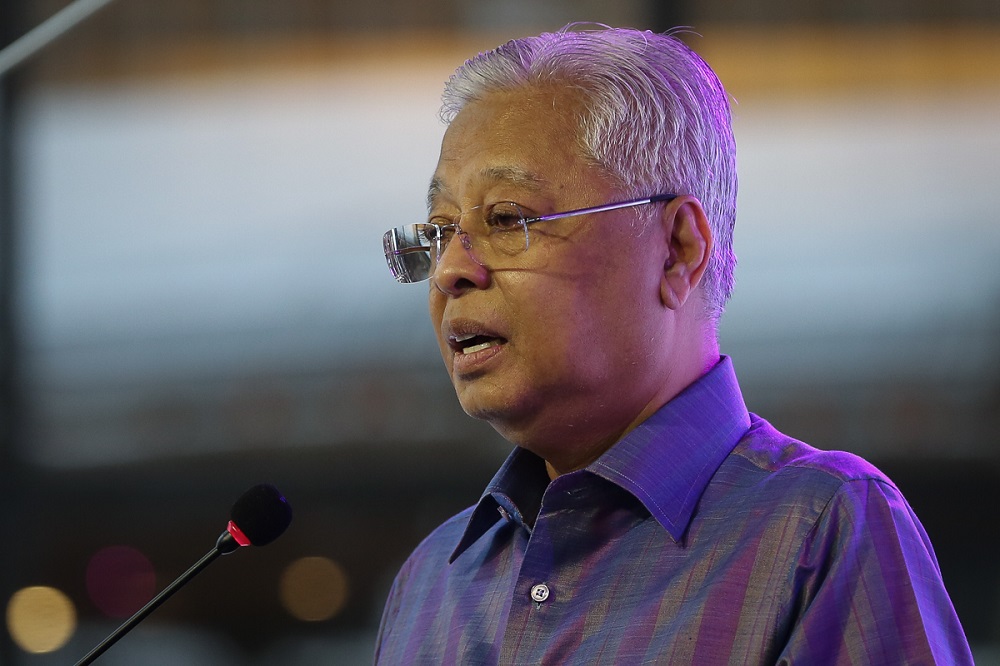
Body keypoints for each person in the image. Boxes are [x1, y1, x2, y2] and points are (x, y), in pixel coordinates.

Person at [374, 25, 973, 664]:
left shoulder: (818, 530)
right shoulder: (433, 580)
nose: (448, 272)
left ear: (677, 249)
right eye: (439, 231)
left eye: (506, 219)